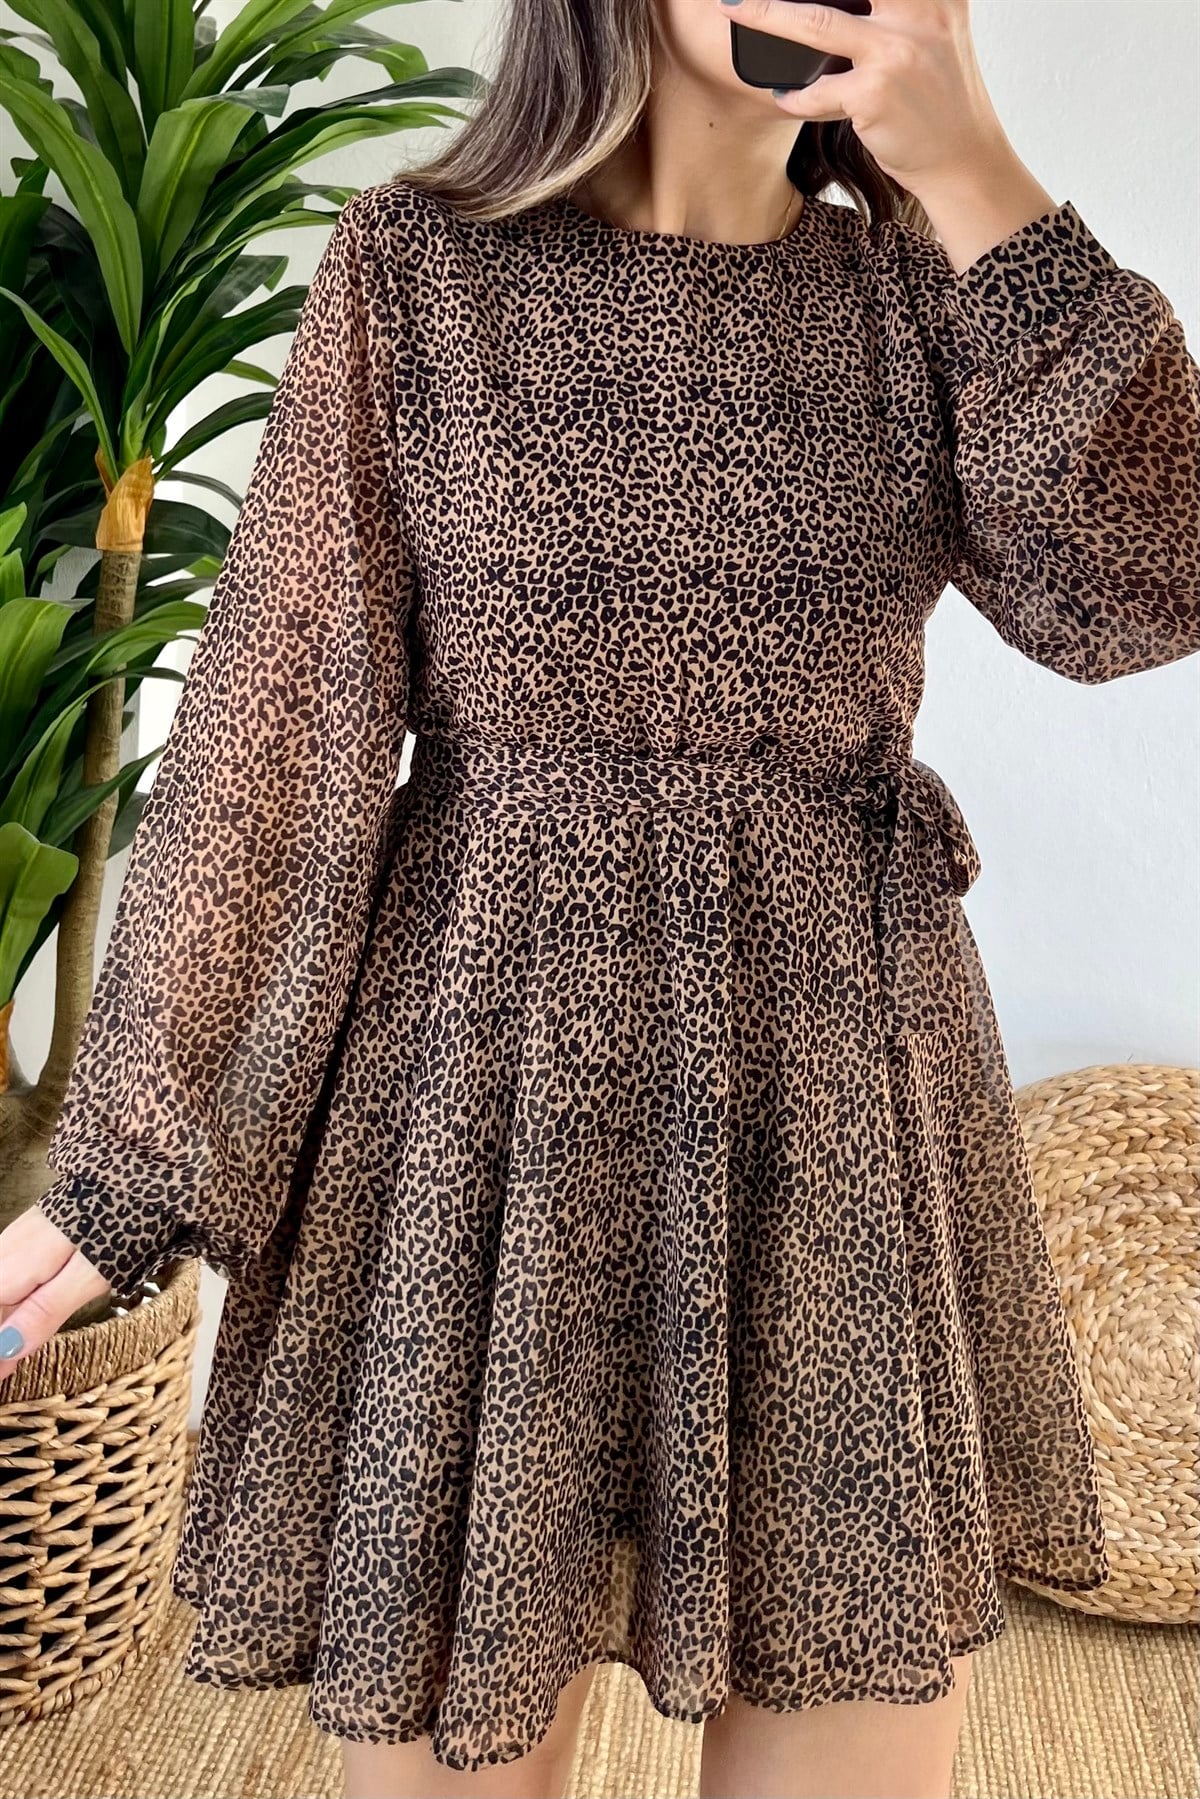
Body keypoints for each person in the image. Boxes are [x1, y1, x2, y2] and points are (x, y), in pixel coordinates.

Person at [2, 0, 1197, 1795]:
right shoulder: (420, 272)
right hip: (481, 1128)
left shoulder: (920, 289)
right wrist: (132, 1169)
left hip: (830, 1127)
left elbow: (1149, 581)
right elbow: (284, 720)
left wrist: (972, 170)